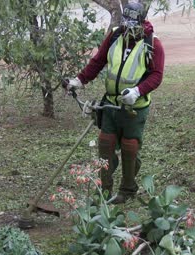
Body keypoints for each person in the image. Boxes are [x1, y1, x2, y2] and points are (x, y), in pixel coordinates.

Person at [67, 2, 165, 204]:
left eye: (132, 23)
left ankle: (127, 189)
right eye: (125, 23)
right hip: (111, 104)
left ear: (141, 21)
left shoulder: (153, 44)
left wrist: (138, 91)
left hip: (134, 108)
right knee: (105, 143)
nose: (128, 28)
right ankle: (103, 190)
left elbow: (157, 75)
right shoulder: (114, 36)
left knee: (130, 147)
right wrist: (79, 80)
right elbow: (98, 61)